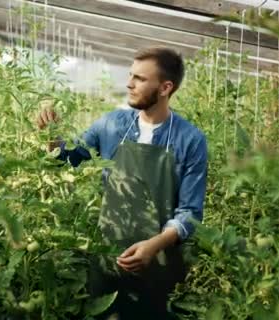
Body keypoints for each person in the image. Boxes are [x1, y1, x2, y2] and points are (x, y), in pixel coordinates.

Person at [36, 46, 208, 319]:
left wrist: (154, 245)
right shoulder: (112, 125)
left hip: (159, 265)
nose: (129, 83)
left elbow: (189, 213)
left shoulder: (190, 140)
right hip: (107, 257)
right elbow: (68, 158)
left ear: (165, 88)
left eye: (140, 78)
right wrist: (52, 136)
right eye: (130, 75)